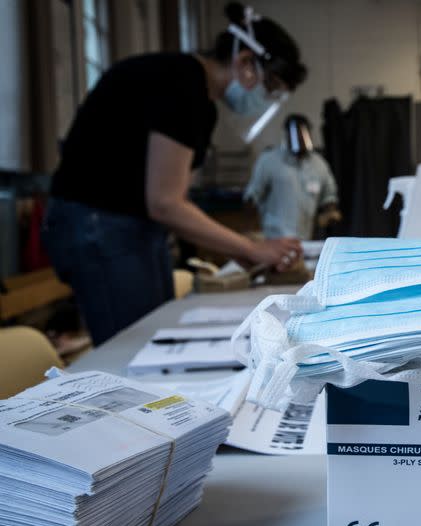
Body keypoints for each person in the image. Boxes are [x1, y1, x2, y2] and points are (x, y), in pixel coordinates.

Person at [42, 3, 306, 345]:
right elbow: (166, 203)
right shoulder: (181, 85)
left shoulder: (197, 95)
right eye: (270, 87)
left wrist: (245, 253)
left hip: (128, 222)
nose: (265, 99)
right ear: (245, 63)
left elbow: (166, 201)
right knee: (135, 346)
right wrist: (252, 249)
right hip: (98, 222)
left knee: (157, 333)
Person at [245, 114, 341, 240]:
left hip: (306, 239)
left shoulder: (319, 164)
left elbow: (329, 194)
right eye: (294, 133)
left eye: (302, 133)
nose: (299, 138)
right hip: (274, 239)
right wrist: (250, 228)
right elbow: (252, 197)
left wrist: (330, 211)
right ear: (287, 135)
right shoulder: (268, 161)